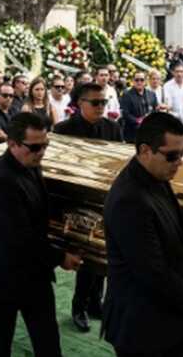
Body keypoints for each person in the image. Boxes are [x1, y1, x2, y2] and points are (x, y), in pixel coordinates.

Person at [102, 112, 183, 356]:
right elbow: (151, 272)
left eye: (182, 154)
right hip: (143, 327)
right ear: (145, 151)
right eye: (172, 156)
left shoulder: (155, 176)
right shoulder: (130, 200)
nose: (179, 162)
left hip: (167, 315)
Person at [0, 112, 82, 357]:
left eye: (45, 145)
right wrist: (60, 257)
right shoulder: (1, 181)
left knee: (48, 342)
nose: (41, 152)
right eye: (34, 147)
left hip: (33, 274)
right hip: (2, 277)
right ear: (12, 144)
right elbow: (20, 239)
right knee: (0, 345)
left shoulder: (29, 164)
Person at [53, 83, 122, 333]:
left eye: (104, 102)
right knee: (85, 253)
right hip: (76, 201)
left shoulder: (113, 128)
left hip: (105, 197)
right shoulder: (63, 129)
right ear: (80, 103)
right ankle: (79, 305)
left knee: (102, 252)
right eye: (95, 102)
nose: (101, 107)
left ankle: (95, 302)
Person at [120, 72, 157, 143]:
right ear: (133, 81)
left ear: (145, 81)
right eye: (137, 80)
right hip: (132, 132)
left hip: (148, 132)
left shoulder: (152, 94)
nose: (139, 82)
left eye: (142, 80)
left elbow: (155, 110)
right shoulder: (126, 94)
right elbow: (125, 113)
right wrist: (138, 121)